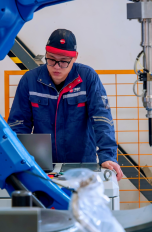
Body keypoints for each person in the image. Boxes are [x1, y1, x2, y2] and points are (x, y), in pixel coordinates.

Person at [7, 29, 123, 181]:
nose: (56, 66)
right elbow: (19, 124)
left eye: (63, 61)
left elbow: (102, 119)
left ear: (75, 57)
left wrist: (108, 156)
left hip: (82, 164)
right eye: (51, 59)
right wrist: (15, 159)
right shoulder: (30, 80)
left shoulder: (88, 78)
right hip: (42, 166)